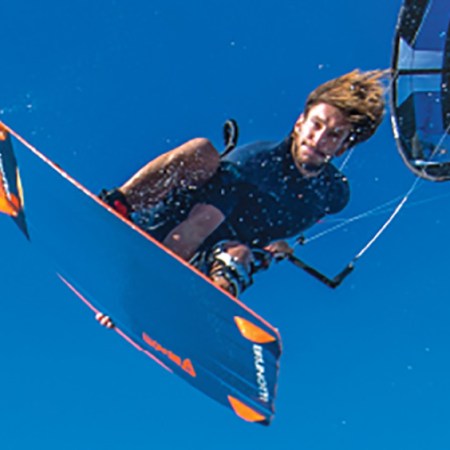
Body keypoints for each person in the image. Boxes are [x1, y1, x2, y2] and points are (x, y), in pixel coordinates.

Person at [100, 69, 386, 297]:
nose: (319, 139)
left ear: (343, 148)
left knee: (238, 256)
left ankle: (201, 312)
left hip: (210, 258)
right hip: (167, 228)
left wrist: (278, 244)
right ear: (300, 122)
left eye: (334, 135)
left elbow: (280, 226)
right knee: (202, 152)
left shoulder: (333, 194)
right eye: (316, 125)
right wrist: (138, 292)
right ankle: (118, 205)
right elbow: (196, 227)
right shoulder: (254, 163)